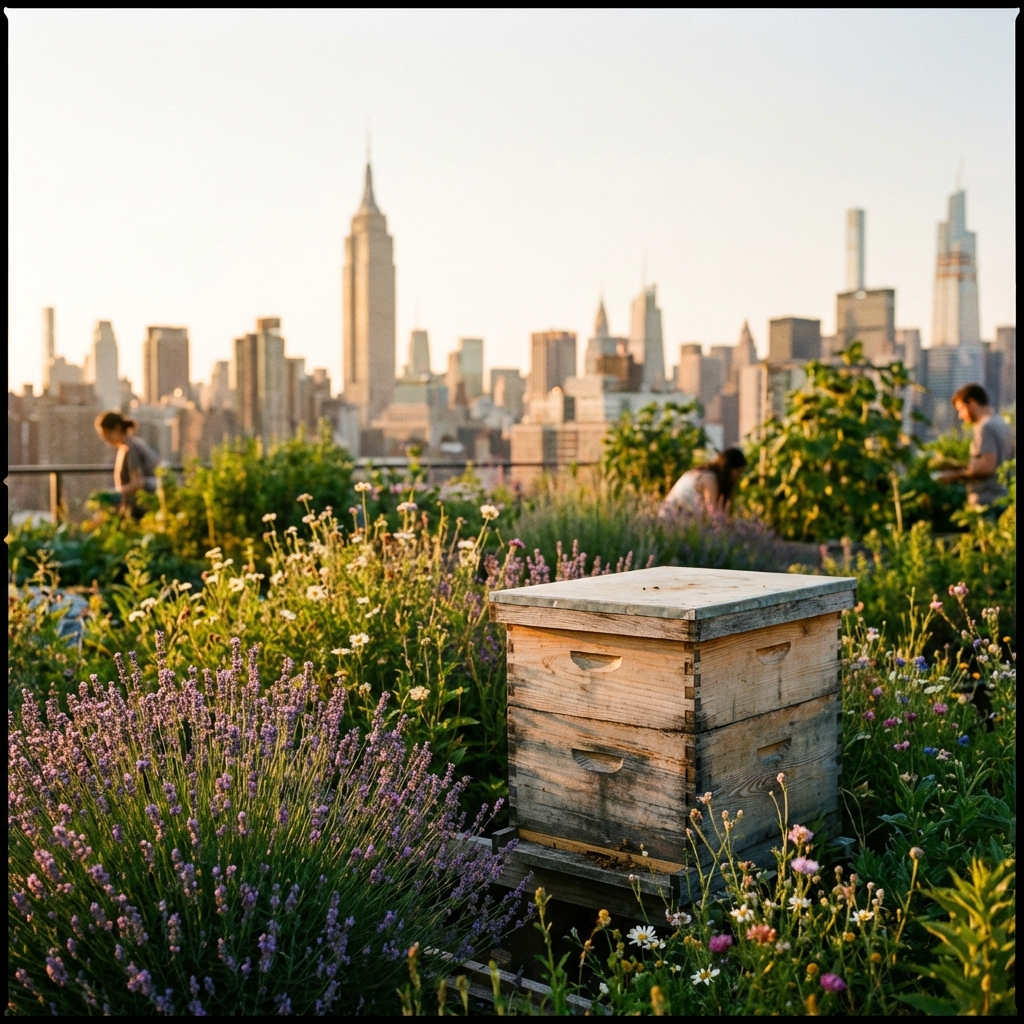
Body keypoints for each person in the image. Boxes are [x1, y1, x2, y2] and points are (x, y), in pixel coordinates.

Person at [936, 384, 1015, 509]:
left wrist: (956, 476)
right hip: (1004, 498)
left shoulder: (985, 427)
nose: (960, 415)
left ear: (972, 402)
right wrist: (958, 466)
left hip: (988, 502)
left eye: (961, 408)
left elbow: (988, 467)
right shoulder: (1001, 423)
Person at [93, 410, 161, 518]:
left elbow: (137, 483)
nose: (104, 438)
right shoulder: (132, 444)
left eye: (105, 433)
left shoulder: (131, 448)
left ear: (117, 428)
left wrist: (113, 494)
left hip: (142, 509)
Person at [661, 447, 747, 515]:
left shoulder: (702, 473)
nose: (738, 476)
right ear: (729, 469)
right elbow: (713, 516)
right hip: (673, 522)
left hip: (673, 520)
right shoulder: (709, 479)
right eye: (738, 472)